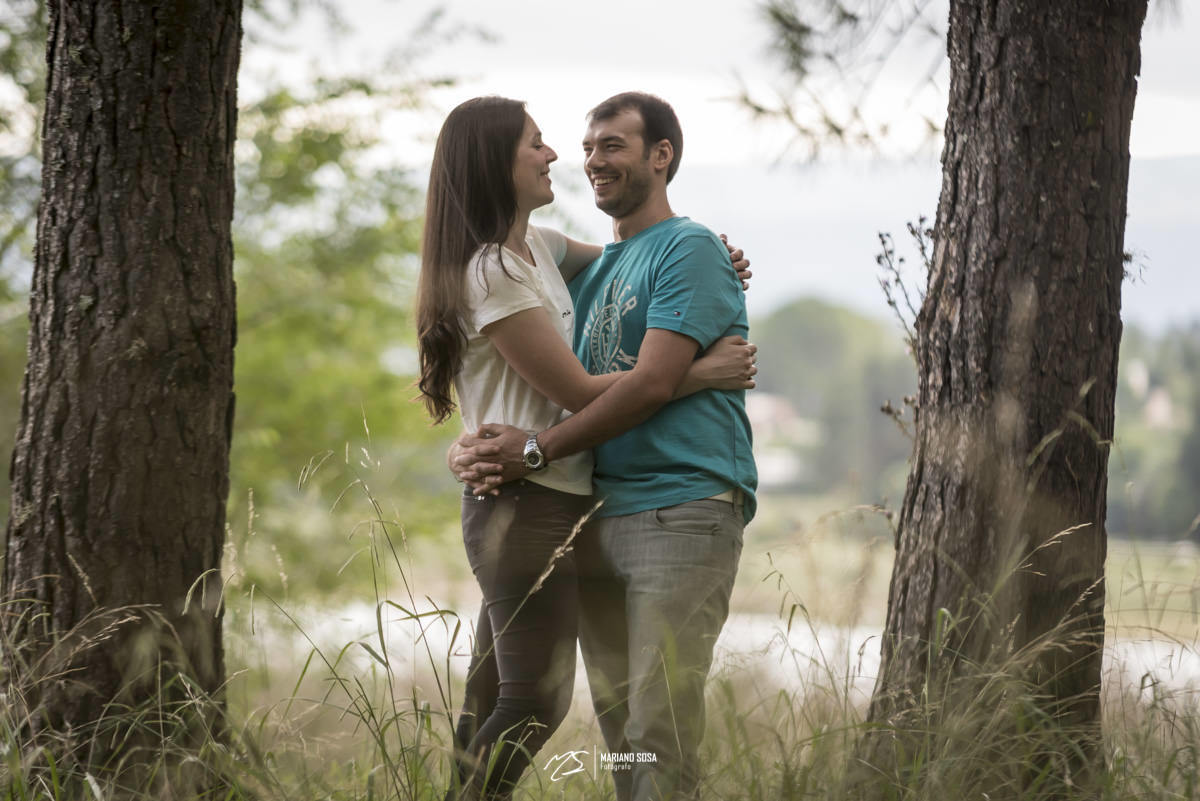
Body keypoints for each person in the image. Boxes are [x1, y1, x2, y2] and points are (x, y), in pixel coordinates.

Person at [415, 96, 756, 801]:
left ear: (661, 155)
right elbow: (546, 385)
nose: (575, 158)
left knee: (643, 725)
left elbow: (644, 277)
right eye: (555, 144)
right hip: (567, 510)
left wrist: (713, 251)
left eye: (611, 144)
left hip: (664, 508)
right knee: (591, 720)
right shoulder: (525, 267)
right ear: (496, 164)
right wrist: (478, 448)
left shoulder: (578, 252)